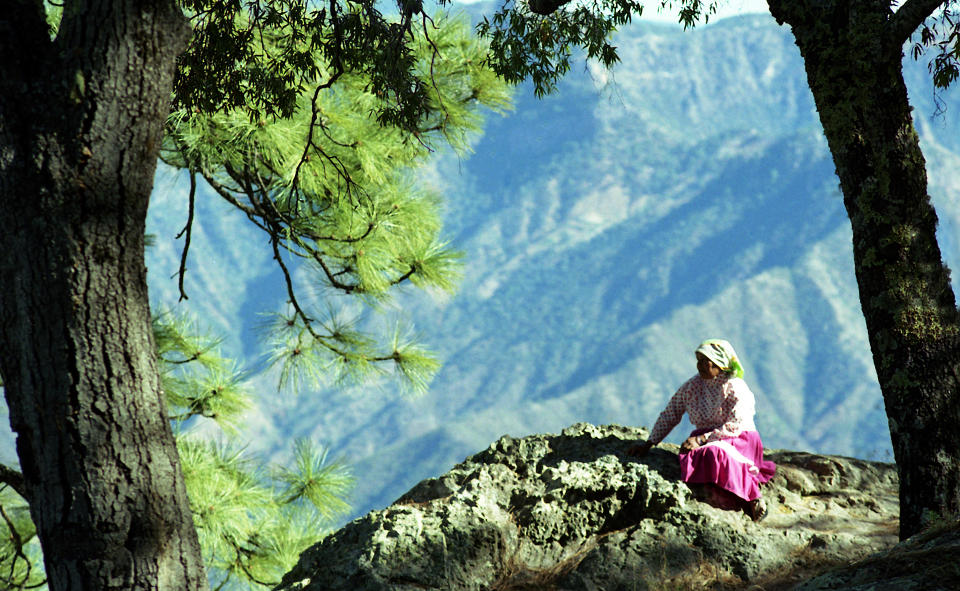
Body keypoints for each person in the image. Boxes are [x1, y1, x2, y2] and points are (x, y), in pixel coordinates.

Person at [627, 339, 776, 521]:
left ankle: (753, 497)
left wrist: (701, 440)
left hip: (739, 438)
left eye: (707, 361)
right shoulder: (692, 387)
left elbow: (736, 424)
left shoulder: (736, 387)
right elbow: (671, 412)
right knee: (693, 455)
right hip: (707, 438)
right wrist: (649, 443)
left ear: (720, 363)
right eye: (699, 361)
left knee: (715, 453)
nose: (702, 366)